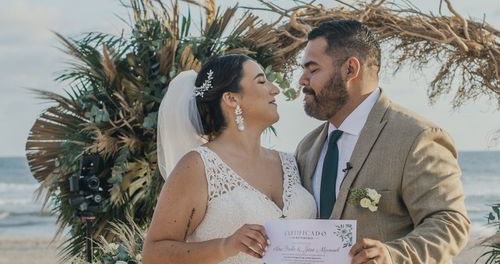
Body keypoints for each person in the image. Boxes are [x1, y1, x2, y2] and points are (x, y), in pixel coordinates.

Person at [296, 20, 470, 264]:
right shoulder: (306, 147)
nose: (302, 80)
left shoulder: (417, 137)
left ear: (350, 69)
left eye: (312, 70)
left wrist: (392, 255)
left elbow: (450, 222)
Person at [143, 54, 317, 264]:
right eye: (261, 81)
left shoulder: (290, 162)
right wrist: (225, 246)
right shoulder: (198, 166)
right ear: (232, 98)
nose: (275, 89)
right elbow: (153, 255)